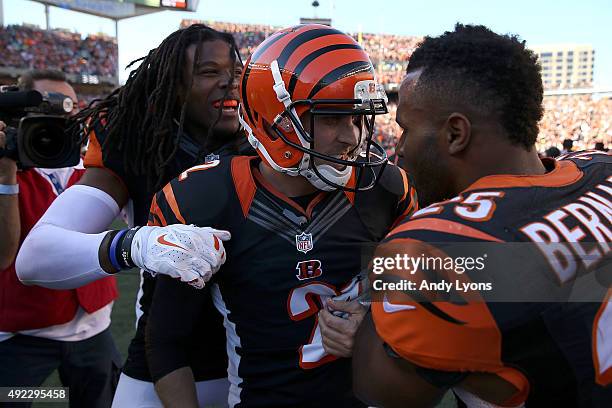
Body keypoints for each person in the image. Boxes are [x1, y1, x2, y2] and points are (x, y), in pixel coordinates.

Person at [145, 24, 418, 408]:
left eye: (358, 118)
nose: (352, 137)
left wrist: (375, 323)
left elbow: (428, 283)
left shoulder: (384, 189)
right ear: (276, 119)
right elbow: (167, 343)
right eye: (332, 118)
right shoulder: (207, 199)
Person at [352, 24, 612, 407]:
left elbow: (381, 390)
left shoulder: (436, 251)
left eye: (406, 129)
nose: (400, 148)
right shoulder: (602, 167)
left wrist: (367, 317)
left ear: (456, 133)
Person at [16, 24, 248, 407]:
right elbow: (35, 257)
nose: (229, 83)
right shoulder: (141, 149)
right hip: (167, 363)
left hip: (260, 360)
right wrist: (137, 244)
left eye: (236, 73)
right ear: (173, 86)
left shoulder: (275, 146)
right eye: (209, 72)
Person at [0, 69, 121, 408]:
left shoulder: (92, 164)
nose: (63, 121)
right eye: (48, 111)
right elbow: (3, 255)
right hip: (23, 335)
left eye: (71, 112)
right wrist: (5, 172)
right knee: (16, 399)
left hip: (94, 327)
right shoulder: (7, 163)